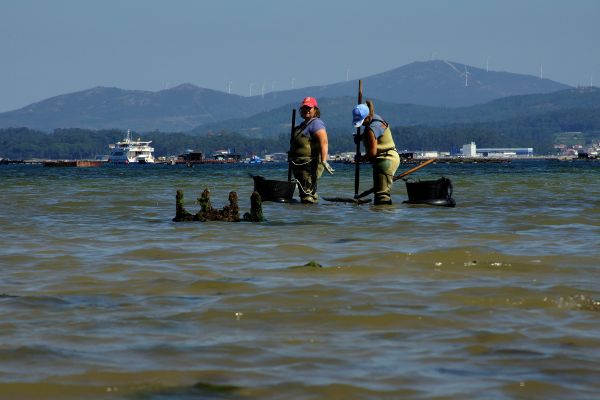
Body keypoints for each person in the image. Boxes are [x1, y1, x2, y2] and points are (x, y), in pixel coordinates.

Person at [352, 100, 400, 205]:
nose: (361, 124)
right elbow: (375, 136)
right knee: (381, 192)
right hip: (390, 157)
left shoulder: (371, 129)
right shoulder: (375, 119)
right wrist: (361, 137)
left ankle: (383, 216)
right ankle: (381, 217)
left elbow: (372, 153)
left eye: (362, 121)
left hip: (386, 160)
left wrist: (360, 159)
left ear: (367, 117)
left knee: (381, 195)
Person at [289, 96, 334, 203]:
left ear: (315, 109)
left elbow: (324, 142)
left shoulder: (316, 123)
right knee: (304, 193)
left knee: (307, 194)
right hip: (298, 165)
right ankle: (309, 213)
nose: (306, 110)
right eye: (304, 108)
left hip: (308, 166)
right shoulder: (302, 125)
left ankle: (309, 216)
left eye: (309, 108)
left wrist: (324, 160)